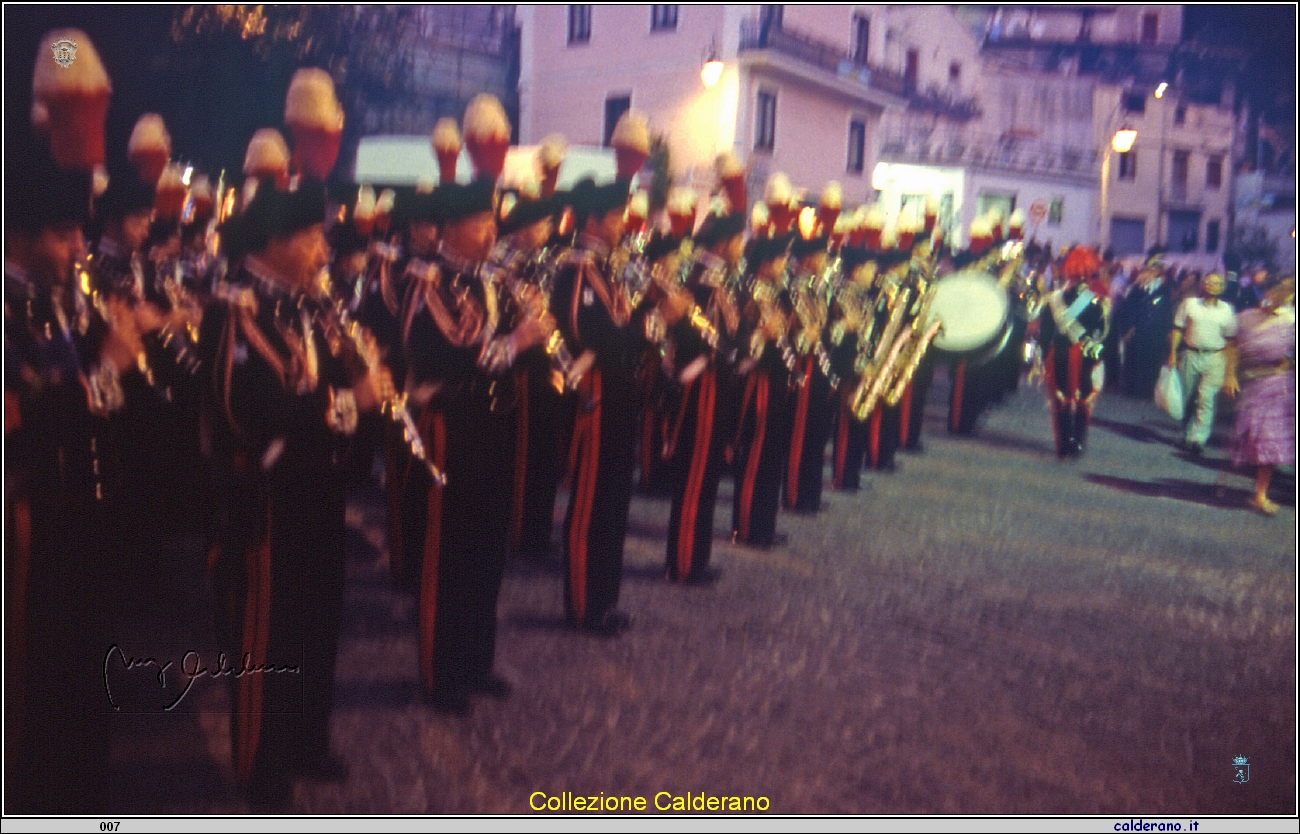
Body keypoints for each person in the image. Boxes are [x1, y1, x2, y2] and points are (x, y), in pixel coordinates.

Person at [199, 181, 385, 805]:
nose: (323, 252)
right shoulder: (235, 308)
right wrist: (344, 407)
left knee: (315, 620)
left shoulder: (303, 306)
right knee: (265, 636)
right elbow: (242, 409)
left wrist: (363, 376)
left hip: (316, 488)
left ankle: (307, 739)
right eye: (311, 239)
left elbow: (318, 388)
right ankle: (259, 764)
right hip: (267, 500)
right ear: (276, 243)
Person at [403, 178, 552, 710]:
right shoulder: (427, 283)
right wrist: (517, 341)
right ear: (448, 230)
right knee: (450, 549)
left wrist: (537, 341)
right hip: (452, 422)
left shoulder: (494, 282)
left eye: (492, 223)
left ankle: (476, 660)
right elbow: (451, 358)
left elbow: (517, 350)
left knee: (488, 548)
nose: (490, 233)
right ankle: (441, 673)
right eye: (478, 224)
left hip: (493, 421)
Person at [551, 178, 644, 635]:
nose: (622, 224)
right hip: (595, 396)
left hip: (619, 395)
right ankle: (584, 603)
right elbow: (587, 331)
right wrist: (644, 327)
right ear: (594, 221)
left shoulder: (607, 267)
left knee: (614, 501)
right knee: (590, 503)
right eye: (615, 216)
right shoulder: (576, 268)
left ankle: (605, 599)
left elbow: (617, 329)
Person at [1224, 275, 1295, 515]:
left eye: (1288, 293)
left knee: (1272, 441)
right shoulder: (1246, 318)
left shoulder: (1290, 318)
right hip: (1254, 384)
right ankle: (1243, 486)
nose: (1281, 296)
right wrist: (1229, 375)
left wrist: (1290, 363)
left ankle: (1260, 495)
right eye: (1277, 291)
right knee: (1250, 440)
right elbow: (1232, 345)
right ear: (1265, 292)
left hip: (1280, 386)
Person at [1038, 246, 1109, 458]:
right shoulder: (1096, 303)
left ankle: (1064, 442)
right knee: (1082, 400)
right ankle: (1077, 441)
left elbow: (1045, 333)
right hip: (1086, 355)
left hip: (1059, 352)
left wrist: (1043, 357)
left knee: (1060, 399)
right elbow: (1100, 334)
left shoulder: (1053, 300)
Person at [1168, 272, 1238, 454]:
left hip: (1215, 357)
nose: (1212, 286)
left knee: (1206, 399)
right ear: (1203, 285)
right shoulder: (1190, 304)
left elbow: (1231, 341)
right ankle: (1185, 434)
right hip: (1191, 354)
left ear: (1222, 288)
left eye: (1217, 283)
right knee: (1188, 396)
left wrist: (1230, 371)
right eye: (1209, 282)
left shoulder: (1227, 310)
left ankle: (1198, 439)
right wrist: (1173, 354)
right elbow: (1178, 329)